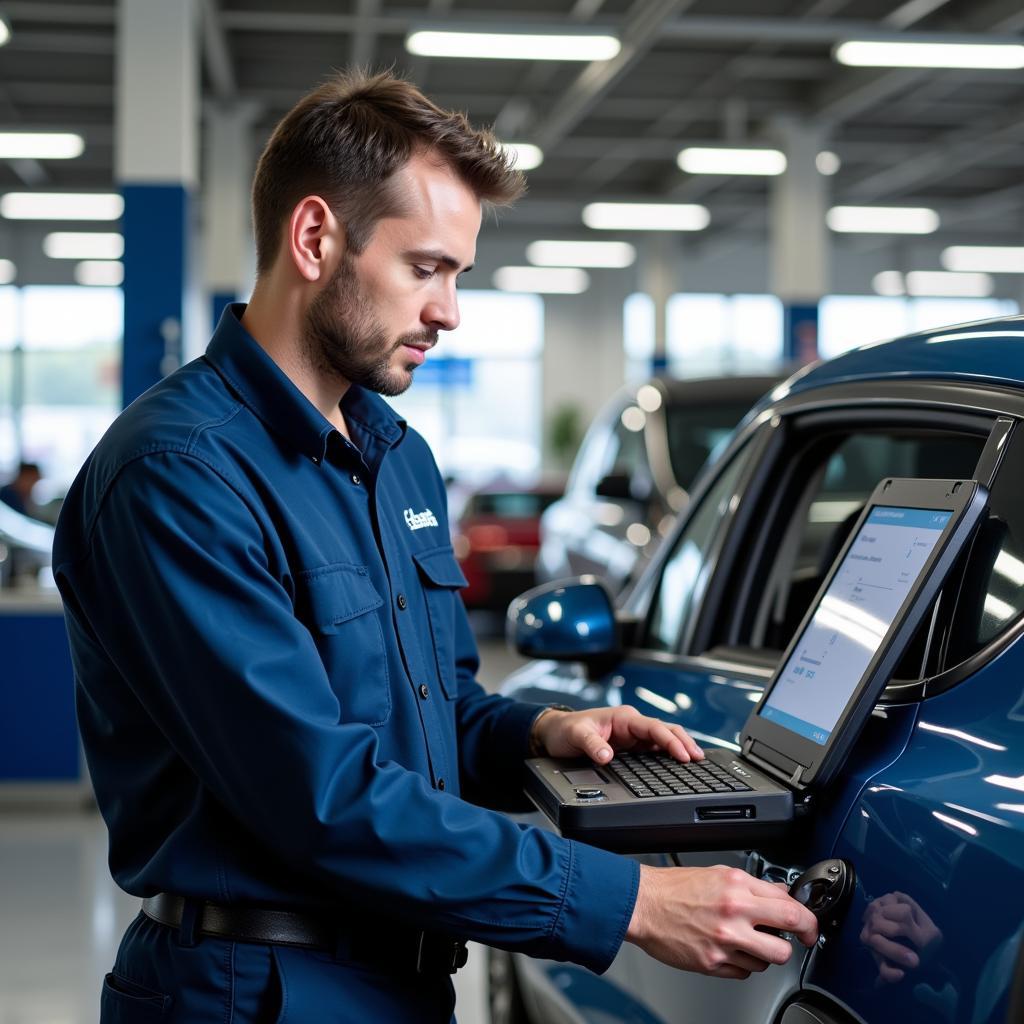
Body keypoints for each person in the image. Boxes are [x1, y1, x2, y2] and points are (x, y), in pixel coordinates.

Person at [53, 71, 817, 1022]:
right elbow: (317, 796)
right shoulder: (179, 475)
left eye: (458, 273)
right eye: (426, 268)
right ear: (315, 238)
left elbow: (437, 711)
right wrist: (630, 902)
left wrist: (537, 735)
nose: (450, 311)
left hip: (403, 976)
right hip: (254, 988)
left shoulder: (397, 459)